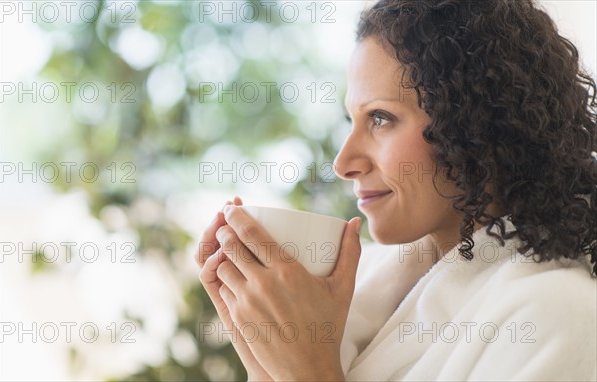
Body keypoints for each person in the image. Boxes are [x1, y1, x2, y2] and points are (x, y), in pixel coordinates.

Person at [196, 0, 597, 380]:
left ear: (478, 123)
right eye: (352, 120)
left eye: (381, 118)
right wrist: (265, 362)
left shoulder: (557, 315)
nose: (343, 162)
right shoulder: (358, 287)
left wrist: (309, 372)